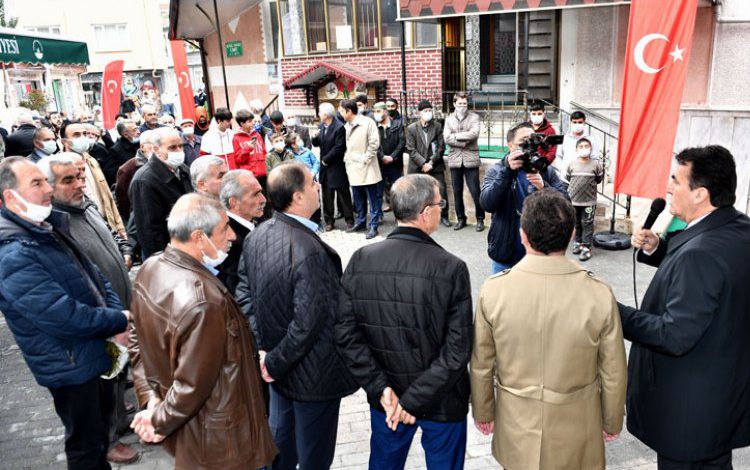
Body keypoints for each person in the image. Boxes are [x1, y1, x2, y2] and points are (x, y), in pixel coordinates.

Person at [471, 188, 626, 470]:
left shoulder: (494, 290)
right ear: (570, 236)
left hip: (517, 424)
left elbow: (482, 364)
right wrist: (612, 420)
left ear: (523, 235)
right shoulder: (599, 293)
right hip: (578, 426)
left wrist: (483, 411)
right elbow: (613, 371)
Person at [618, 146, 750, 470]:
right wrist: (658, 249)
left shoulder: (701, 255)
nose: (668, 189)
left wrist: (612, 313)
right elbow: (715, 278)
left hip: (689, 415)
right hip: (722, 403)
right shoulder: (738, 228)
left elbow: (675, 334)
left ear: (700, 194)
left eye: (676, 181)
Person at [128, 194, 278, 469]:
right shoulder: (204, 301)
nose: (233, 235)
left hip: (198, 435)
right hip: (223, 442)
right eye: (224, 229)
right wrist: (158, 419)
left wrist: (151, 400)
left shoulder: (151, 268)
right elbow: (191, 385)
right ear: (199, 238)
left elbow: (137, 341)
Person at [336, 174, 473, 470]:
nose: (441, 209)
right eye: (440, 204)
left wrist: (381, 388)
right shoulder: (451, 268)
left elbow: (346, 333)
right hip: (441, 401)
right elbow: (458, 349)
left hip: (387, 400)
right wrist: (412, 400)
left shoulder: (361, 259)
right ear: (425, 213)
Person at [0, 156, 130, 469]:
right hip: (70, 365)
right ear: (9, 196)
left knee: (97, 441)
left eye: (45, 181)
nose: (48, 189)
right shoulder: (13, 252)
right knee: (86, 448)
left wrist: (113, 311)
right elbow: (62, 315)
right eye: (37, 183)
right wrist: (118, 319)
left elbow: (96, 276)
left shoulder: (45, 227)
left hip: (89, 354)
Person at [235, 163, 357, 470]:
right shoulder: (308, 251)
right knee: (314, 453)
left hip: (277, 365)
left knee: (281, 444)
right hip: (310, 374)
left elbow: (244, 295)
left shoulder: (258, 234)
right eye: (313, 183)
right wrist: (272, 360)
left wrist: (265, 351)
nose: (319, 187)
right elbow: (310, 321)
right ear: (297, 197)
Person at [39, 153, 138, 465]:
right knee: (103, 382)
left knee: (120, 372)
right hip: (96, 320)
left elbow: (111, 234)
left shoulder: (86, 207)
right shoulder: (54, 225)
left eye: (80, 177)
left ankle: (120, 417)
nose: (80, 184)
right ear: (48, 187)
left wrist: (124, 249)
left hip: (118, 307)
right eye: (69, 180)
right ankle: (108, 440)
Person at [480, 122, 566, 274]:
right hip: (506, 252)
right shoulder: (497, 170)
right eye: (523, 143)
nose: (529, 148)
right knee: (504, 296)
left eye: (532, 142)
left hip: (540, 252)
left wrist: (544, 187)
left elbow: (566, 206)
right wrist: (507, 172)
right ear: (510, 145)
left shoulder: (545, 170)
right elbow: (487, 203)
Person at [129, 127, 193, 258]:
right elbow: (150, 231)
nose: (179, 151)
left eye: (181, 146)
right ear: (156, 149)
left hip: (188, 246)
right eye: (172, 148)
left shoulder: (183, 169)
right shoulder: (144, 180)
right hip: (168, 254)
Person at [61, 122, 127, 239]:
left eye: (84, 134)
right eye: (76, 135)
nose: (82, 137)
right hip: (86, 230)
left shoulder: (91, 161)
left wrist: (119, 227)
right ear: (64, 142)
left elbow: (107, 195)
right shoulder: (59, 167)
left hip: (107, 224)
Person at [217, 169, 266, 293]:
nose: (263, 199)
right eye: (255, 194)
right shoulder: (228, 240)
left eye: (261, 192)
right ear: (234, 202)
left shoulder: (255, 221)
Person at [339, 99, 382, 239]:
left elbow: (374, 143)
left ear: (349, 111)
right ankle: (361, 222)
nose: (339, 112)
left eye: (341, 110)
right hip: (353, 167)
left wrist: (365, 159)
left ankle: (374, 225)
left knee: (372, 198)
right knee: (358, 198)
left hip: (367, 167)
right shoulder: (346, 126)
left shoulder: (367, 122)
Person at [443, 92, 485, 232]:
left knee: (475, 190)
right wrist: (463, 141)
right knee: (457, 191)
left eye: (465, 104)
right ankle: (461, 218)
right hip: (455, 159)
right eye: (460, 103)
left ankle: (480, 218)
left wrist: (455, 136)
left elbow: (474, 134)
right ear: (454, 104)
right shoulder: (449, 119)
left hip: (470, 159)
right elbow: (446, 138)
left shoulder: (474, 117)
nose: (462, 106)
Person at [406, 100, 451, 228]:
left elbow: (441, 147)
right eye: (425, 111)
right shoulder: (411, 129)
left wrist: (431, 162)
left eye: (430, 110)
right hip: (417, 166)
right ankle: (416, 217)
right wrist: (423, 163)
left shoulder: (437, 126)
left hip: (435, 165)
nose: (428, 113)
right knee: (416, 192)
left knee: (441, 189)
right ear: (419, 113)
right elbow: (411, 149)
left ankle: (444, 216)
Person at [312, 102, 353, 231]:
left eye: (320, 112)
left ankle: (349, 219)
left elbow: (339, 147)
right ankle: (329, 221)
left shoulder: (339, 127)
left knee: (343, 195)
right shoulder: (322, 126)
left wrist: (325, 160)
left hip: (336, 166)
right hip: (325, 169)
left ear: (326, 114)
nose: (318, 114)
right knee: (327, 196)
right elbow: (318, 143)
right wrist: (314, 137)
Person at [565, 137, 603, 261]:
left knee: (587, 223)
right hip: (574, 201)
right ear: (576, 149)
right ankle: (578, 242)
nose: (584, 149)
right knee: (576, 223)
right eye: (581, 147)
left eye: (586, 146)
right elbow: (568, 178)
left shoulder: (596, 164)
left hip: (589, 202)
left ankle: (586, 247)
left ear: (591, 148)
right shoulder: (571, 164)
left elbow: (598, 179)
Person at [114, 129, 154, 224]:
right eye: (152, 143)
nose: (157, 147)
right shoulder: (128, 169)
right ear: (142, 147)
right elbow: (123, 201)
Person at [372, 102, 404, 219]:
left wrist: (392, 156)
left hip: (395, 164)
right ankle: (378, 215)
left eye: (379, 111)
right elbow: (374, 144)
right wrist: (382, 157)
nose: (376, 114)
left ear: (385, 111)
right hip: (380, 164)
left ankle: (399, 216)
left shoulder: (397, 124)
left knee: (397, 191)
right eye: (375, 112)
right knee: (378, 191)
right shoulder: (374, 127)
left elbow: (401, 142)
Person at [555, 110, 600, 184]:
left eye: (580, 122)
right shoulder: (565, 138)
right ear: (571, 123)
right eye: (574, 122)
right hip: (565, 180)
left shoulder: (591, 139)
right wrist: (563, 170)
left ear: (584, 123)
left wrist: (589, 172)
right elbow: (558, 156)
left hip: (585, 180)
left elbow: (595, 158)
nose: (577, 124)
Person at [232, 109, 266, 175]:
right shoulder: (236, 138)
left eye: (252, 121)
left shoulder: (257, 134)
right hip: (249, 175)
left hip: (263, 173)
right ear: (242, 124)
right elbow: (238, 160)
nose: (253, 123)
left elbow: (264, 152)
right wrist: (248, 148)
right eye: (249, 121)